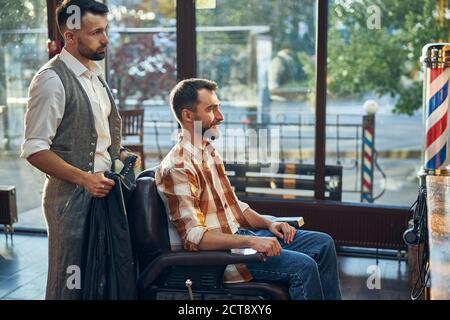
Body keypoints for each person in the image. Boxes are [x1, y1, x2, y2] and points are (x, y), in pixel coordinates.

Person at [155, 78, 342, 300]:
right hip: (222, 258)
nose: (221, 116)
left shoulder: (208, 152)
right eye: (211, 109)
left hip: (239, 238)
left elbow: (236, 208)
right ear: (188, 116)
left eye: (219, 107)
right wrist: (252, 241)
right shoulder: (178, 167)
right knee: (304, 266)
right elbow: (194, 237)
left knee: (323, 243)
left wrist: (270, 224)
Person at [20, 0, 140, 299]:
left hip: (104, 197)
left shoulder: (95, 75)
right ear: (70, 36)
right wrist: (83, 178)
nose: (105, 39)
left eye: (105, 30)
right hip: (70, 202)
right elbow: (34, 149)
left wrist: (120, 155)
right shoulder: (50, 80)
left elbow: (96, 136)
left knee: (101, 282)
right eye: (96, 32)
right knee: (70, 283)